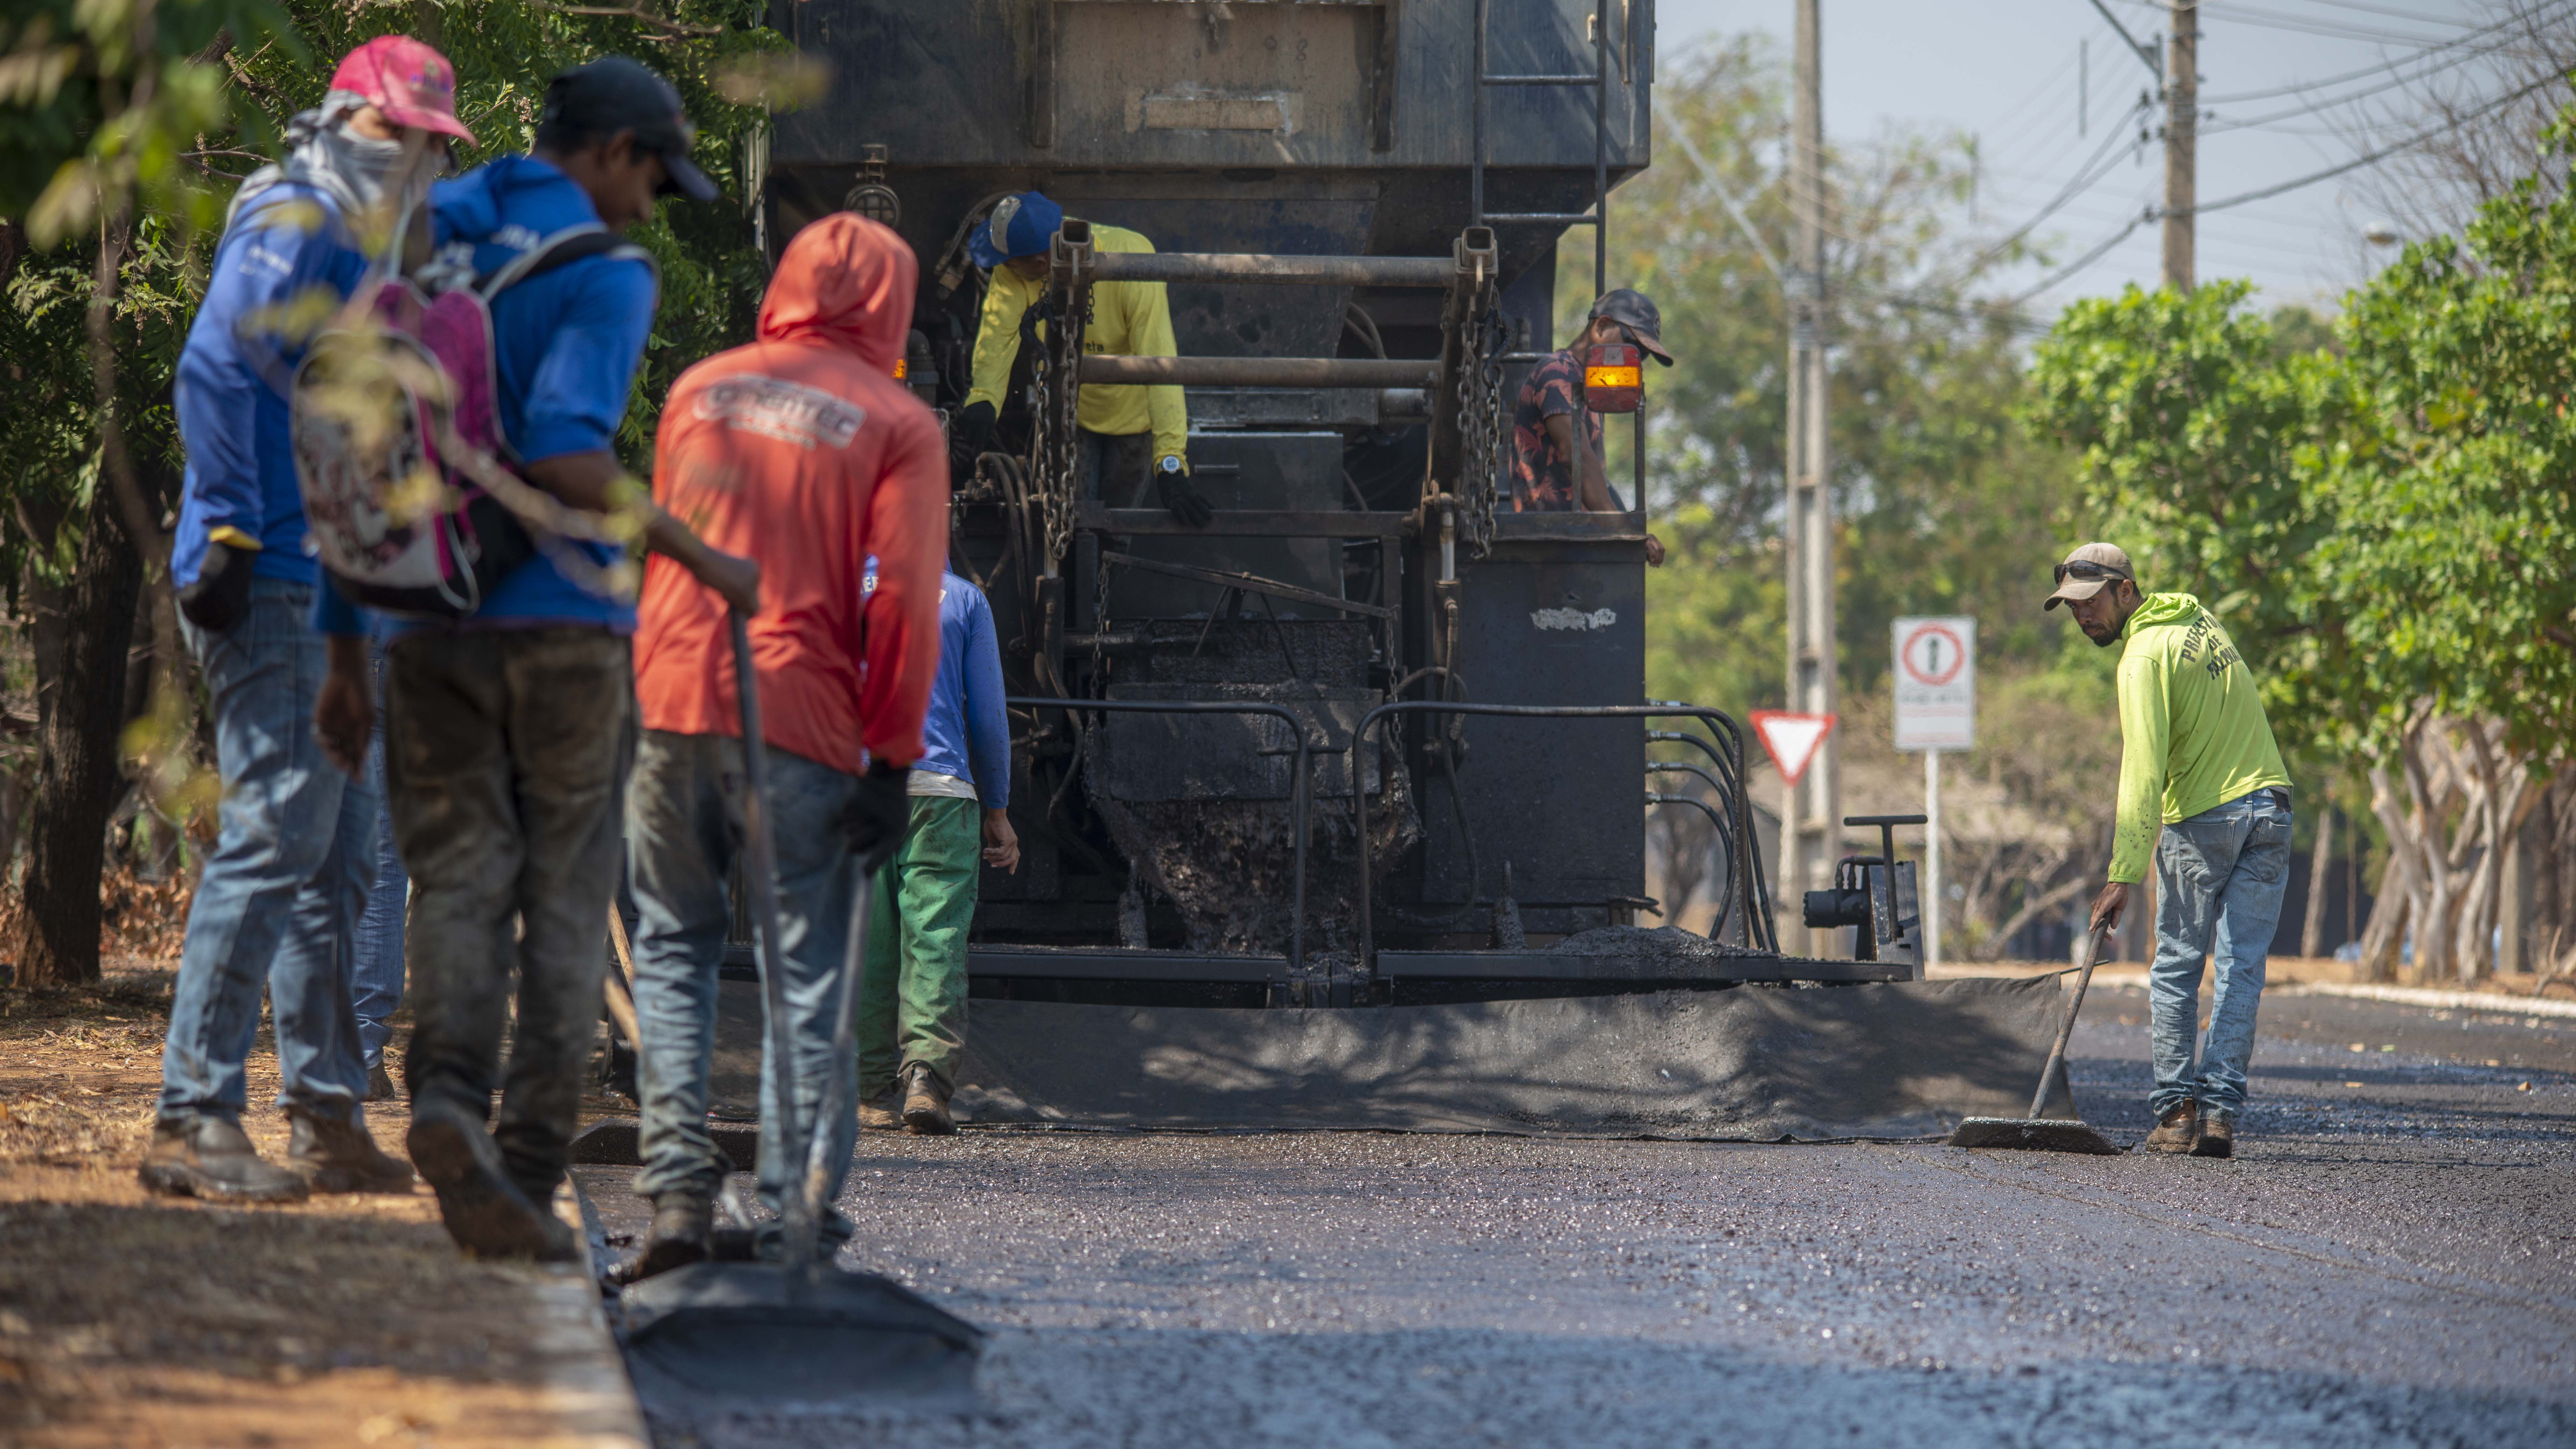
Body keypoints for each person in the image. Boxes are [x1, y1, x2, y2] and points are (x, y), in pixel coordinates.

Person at [314, 56, 760, 1260]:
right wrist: (706, 562)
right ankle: (522, 1164)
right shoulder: (608, 273)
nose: (657, 205)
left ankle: (447, 1097)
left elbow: (353, 426)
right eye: (658, 178)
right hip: (561, 623)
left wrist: (346, 652)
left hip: (421, 617)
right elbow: (567, 455)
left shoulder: (435, 220)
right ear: (615, 152)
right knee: (565, 892)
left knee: (457, 876)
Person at [145, 35, 464, 1204]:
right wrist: (226, 528)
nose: (416, 158)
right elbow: (215, 372)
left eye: (430, 142)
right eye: (399, 133)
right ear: (341, 122)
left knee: (340, 861)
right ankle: (193, 1117)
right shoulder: (297, 216)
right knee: (280, 837)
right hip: (268, 576)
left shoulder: (364, 248)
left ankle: (326, 1113)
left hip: (330, 593)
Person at [621, 212, 948, 1277]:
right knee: (802, 972)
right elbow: (903, 601)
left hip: (671, 700)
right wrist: (893, 761)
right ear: (890, 307)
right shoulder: (897, 421)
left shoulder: (697, 391)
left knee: (673, 942)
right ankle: (791, 1219)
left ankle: (673, 1202)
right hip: (797, 719)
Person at [2053, 542, 2294, 1160]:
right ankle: (2219, 1114)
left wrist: (2122, 874)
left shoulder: (2139, 658)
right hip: (2271, 809)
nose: (2083, 617)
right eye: (2073, 608)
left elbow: (2141, 771)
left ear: (2125, 591)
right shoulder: (2199, 620)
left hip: (2205, 821)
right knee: (2243, 970)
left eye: (2091, 602)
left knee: (2178, 966)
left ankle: (2175, 1113)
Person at [856, 567, 1020, 1138]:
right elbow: (987, 717)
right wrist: (997, 809)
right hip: (941, 794)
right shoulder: (967, 599)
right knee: (936, 939)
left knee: (867, 941)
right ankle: (925, 1080)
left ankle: (872, 1090)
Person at [948, 191, 1206, 524]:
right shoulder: (1016, 270)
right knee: (1068, 532)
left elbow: (1159, 359)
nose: (1002, 268)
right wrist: (984, 399)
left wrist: (1170, 461)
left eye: (1008, 262)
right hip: (1072, 418)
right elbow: (997, 335)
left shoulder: (1131, 257)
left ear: (1039, 264)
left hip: (1134, 422)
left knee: (1114, 533)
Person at [1507, 288, 1668, 567]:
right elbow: (1575, 455)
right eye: (1634, 346)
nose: (1635, 358)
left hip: (1575, 547)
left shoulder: (1588, 387)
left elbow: (1596, 475)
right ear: (1602, 327)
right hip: (1547, 551)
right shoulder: (1557, 373)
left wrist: (1630, 530)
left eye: (1642, 356)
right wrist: (1625, 533)